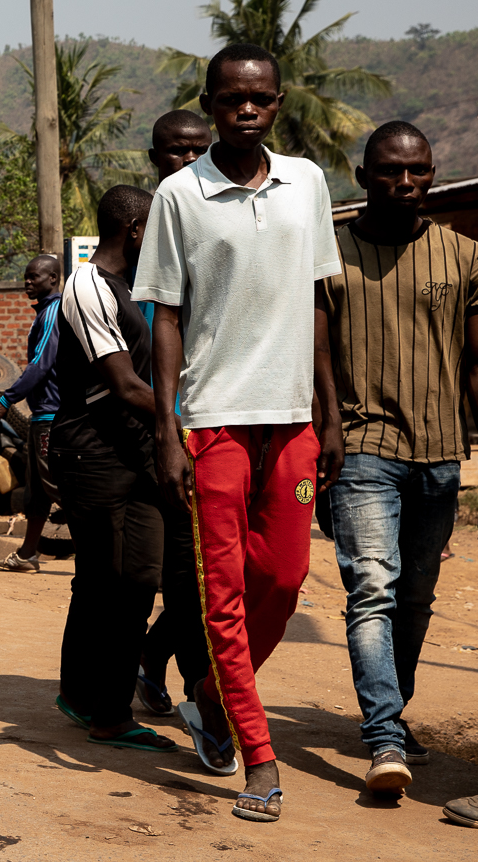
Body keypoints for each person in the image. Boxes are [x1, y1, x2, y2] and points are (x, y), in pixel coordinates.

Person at [134, 42, 343, 822]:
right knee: (222, 594)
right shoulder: (180, 196)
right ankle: (260, 758)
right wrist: (168, 426)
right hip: (214, 421)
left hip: (291, 421)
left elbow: (320, 302)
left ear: (279, 104)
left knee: (283, 582)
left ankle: (212, 697)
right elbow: (166, 317)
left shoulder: (308, 183)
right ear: (213, 103)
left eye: (260, 98)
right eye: (231, 99)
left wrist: (329, 408)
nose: (246, 109)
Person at [320, 121, 478, 794]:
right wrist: (323, 436)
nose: (406, 182)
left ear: (432, 173)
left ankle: (390, 713)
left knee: (417, 598)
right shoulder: (328, 256)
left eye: (419, 170)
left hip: (440, 456)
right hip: (361, 447)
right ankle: (384, 738)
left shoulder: (467, 257)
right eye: (391, 170)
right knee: (372, 588)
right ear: (363, 176)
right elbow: (309, 356)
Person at [52, 185, 181, 753]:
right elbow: (125, 385)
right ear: (133, 230)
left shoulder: (135, 287)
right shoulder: (86, 286)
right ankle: (90, 701)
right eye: (154, 227)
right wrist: (187, 424)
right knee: (104, 583)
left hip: (140, 453)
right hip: (94, 453)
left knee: (139, 582)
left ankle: (107, 707)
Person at [136, 109, 213, 717]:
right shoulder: (150, 243)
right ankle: (199, 693)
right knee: (188, 577)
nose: (187, 163)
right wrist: (167, 430)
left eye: (198, 151)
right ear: (155, 157)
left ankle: (153, 657)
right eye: (174, 153)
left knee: (221, 577)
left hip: (231, 426)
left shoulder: (227, 225)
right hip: (171, 438)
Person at [0, 254, 63, 572]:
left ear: (53, 279)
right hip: (39, 416)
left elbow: (41, 364)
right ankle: (27, 554)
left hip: (52, 416)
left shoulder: (53, 314)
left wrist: (6, 400)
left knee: (61, 489)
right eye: (26, 276)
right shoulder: (43, 312)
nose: (28, 282)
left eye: (35, 277)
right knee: (38, 494)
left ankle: (106, 557)